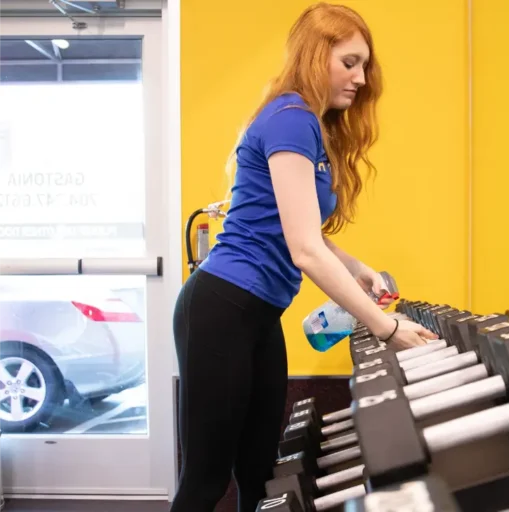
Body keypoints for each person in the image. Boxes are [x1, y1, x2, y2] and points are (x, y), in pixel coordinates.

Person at [170, 3, 437, 511]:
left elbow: (298, 228)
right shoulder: (292, 119)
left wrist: (355, 265)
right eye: (350, 62)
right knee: (206, 480)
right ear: (317, 57)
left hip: (258, 313)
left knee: (259, 471)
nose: (360, 78)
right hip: (222, 308)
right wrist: (386, 326)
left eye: (364, 66)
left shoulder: (305, 123)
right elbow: (305, 250)